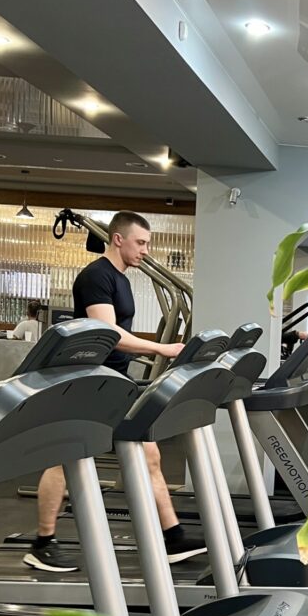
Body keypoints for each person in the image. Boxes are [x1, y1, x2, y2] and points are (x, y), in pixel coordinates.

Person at [24, 211, 197, 572]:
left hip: (114, 380)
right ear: (118, 239)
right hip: (88, 381)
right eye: (140, 242)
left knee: (149, 454)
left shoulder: (122, 279)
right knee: (66, 459)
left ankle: (173, 536)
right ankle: (41, 543)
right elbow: (109, 333)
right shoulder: (96, 277)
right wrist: (161, 349)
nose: (145, 250)